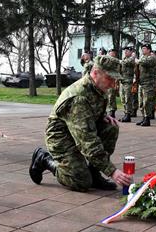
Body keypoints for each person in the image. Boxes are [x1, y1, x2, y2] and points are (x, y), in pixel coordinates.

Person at [29, 55, 132, 192]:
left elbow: (93, 109)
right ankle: (45, 160)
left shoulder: (97, 88)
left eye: (115, 80)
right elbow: (87, 141)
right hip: (61, 138)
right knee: (81, 181)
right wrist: (112, 171)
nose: (113, 85)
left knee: (110, 128)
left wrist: (103, 116)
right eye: (110, 78)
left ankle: (94, 174)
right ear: (95, 73)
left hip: (77, 132)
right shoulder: (78, 98)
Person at [136, 44, 156, 127]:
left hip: (149, 83)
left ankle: (147, 118)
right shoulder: (142, 58)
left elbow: (146, 63)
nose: (143, 50)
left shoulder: (151, 58)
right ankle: (144, 117)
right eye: (142, 48)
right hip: (142, 82)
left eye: (144, 48)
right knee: (141, 102)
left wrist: (138, 61)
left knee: (147, 102)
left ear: (149, 50)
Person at [119, 47, 135, 122]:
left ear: (131, 52)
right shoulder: (124, 59)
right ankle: (125, 113)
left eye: (127, 50)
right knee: (122, 98)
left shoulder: (132, 59)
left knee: (128, 98)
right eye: (125, 50)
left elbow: (126, 62)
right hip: (122, 81)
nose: (125, 52)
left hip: (128, 81)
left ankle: (128, 114)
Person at [107, 48, 119, 118]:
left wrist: (116, 83)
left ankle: (112, 111)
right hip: (107, 81)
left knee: (111, 97)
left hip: (113, 81)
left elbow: (117, 72)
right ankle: (109, 110)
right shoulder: (108, 61)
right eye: (110, 52)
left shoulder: (116, 62)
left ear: (114, 54)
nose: (111, 54)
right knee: (108, 97)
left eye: (112, 53)